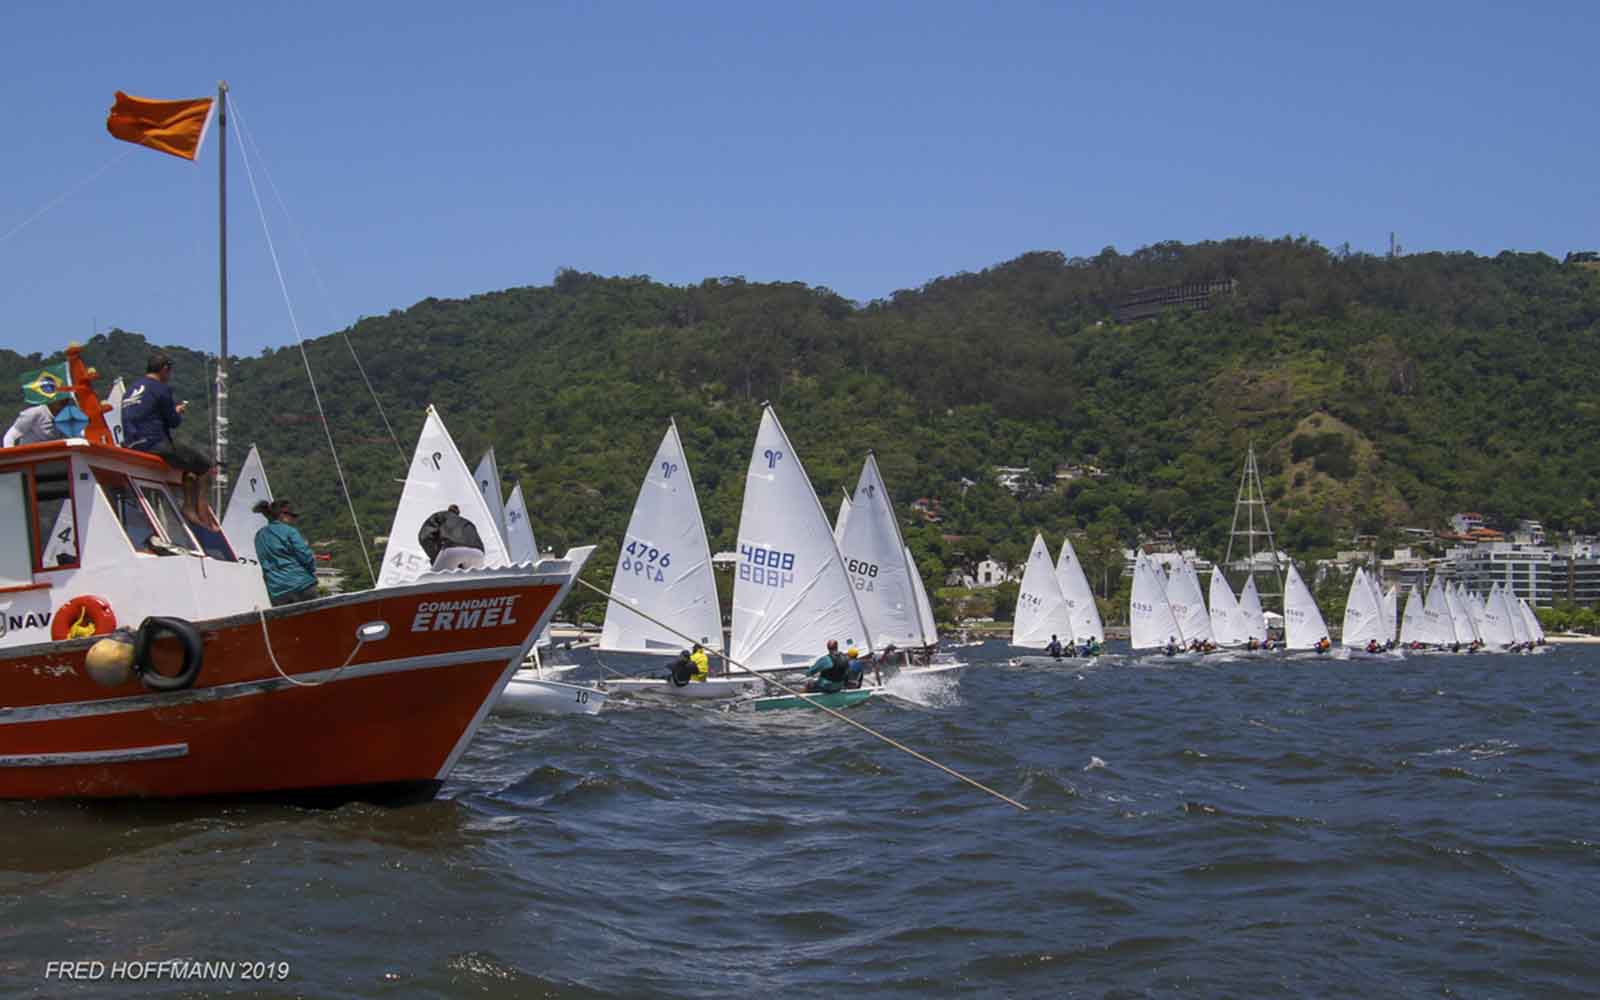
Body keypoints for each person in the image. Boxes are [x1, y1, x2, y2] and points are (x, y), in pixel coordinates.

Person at [120, 352, 218, 527]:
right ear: (165, 369)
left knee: (189, 463)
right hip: (154, 444)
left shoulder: (130, 389)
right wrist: (177, 411)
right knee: (205, 466)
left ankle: (190, 507)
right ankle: (200, 512)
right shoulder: (160, 388)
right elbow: (173, 422)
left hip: (131, 445)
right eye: (169, 371)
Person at [252, 499, 318, 606]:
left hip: (277, 591)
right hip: (302, 585)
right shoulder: (290, 531)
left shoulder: (259, 536)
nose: (294, 519)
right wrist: (311, 569)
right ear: (283, 515)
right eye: (293, 516)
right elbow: (306, 557)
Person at [419, 504, 485, 571]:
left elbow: (425, 536)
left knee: (436, 579)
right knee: (473, 579)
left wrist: (435, 556)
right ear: (458, 512)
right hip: (478, 553)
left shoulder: (441, 516)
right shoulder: (467, 522)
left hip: (453, 549)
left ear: (449, 510)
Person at [2, 394, 75, 447]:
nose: (64, 401)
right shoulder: (33, 413)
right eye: (60, 398)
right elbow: (9, 437)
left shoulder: (67, 419)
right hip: (29, 461)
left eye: (66, 399)